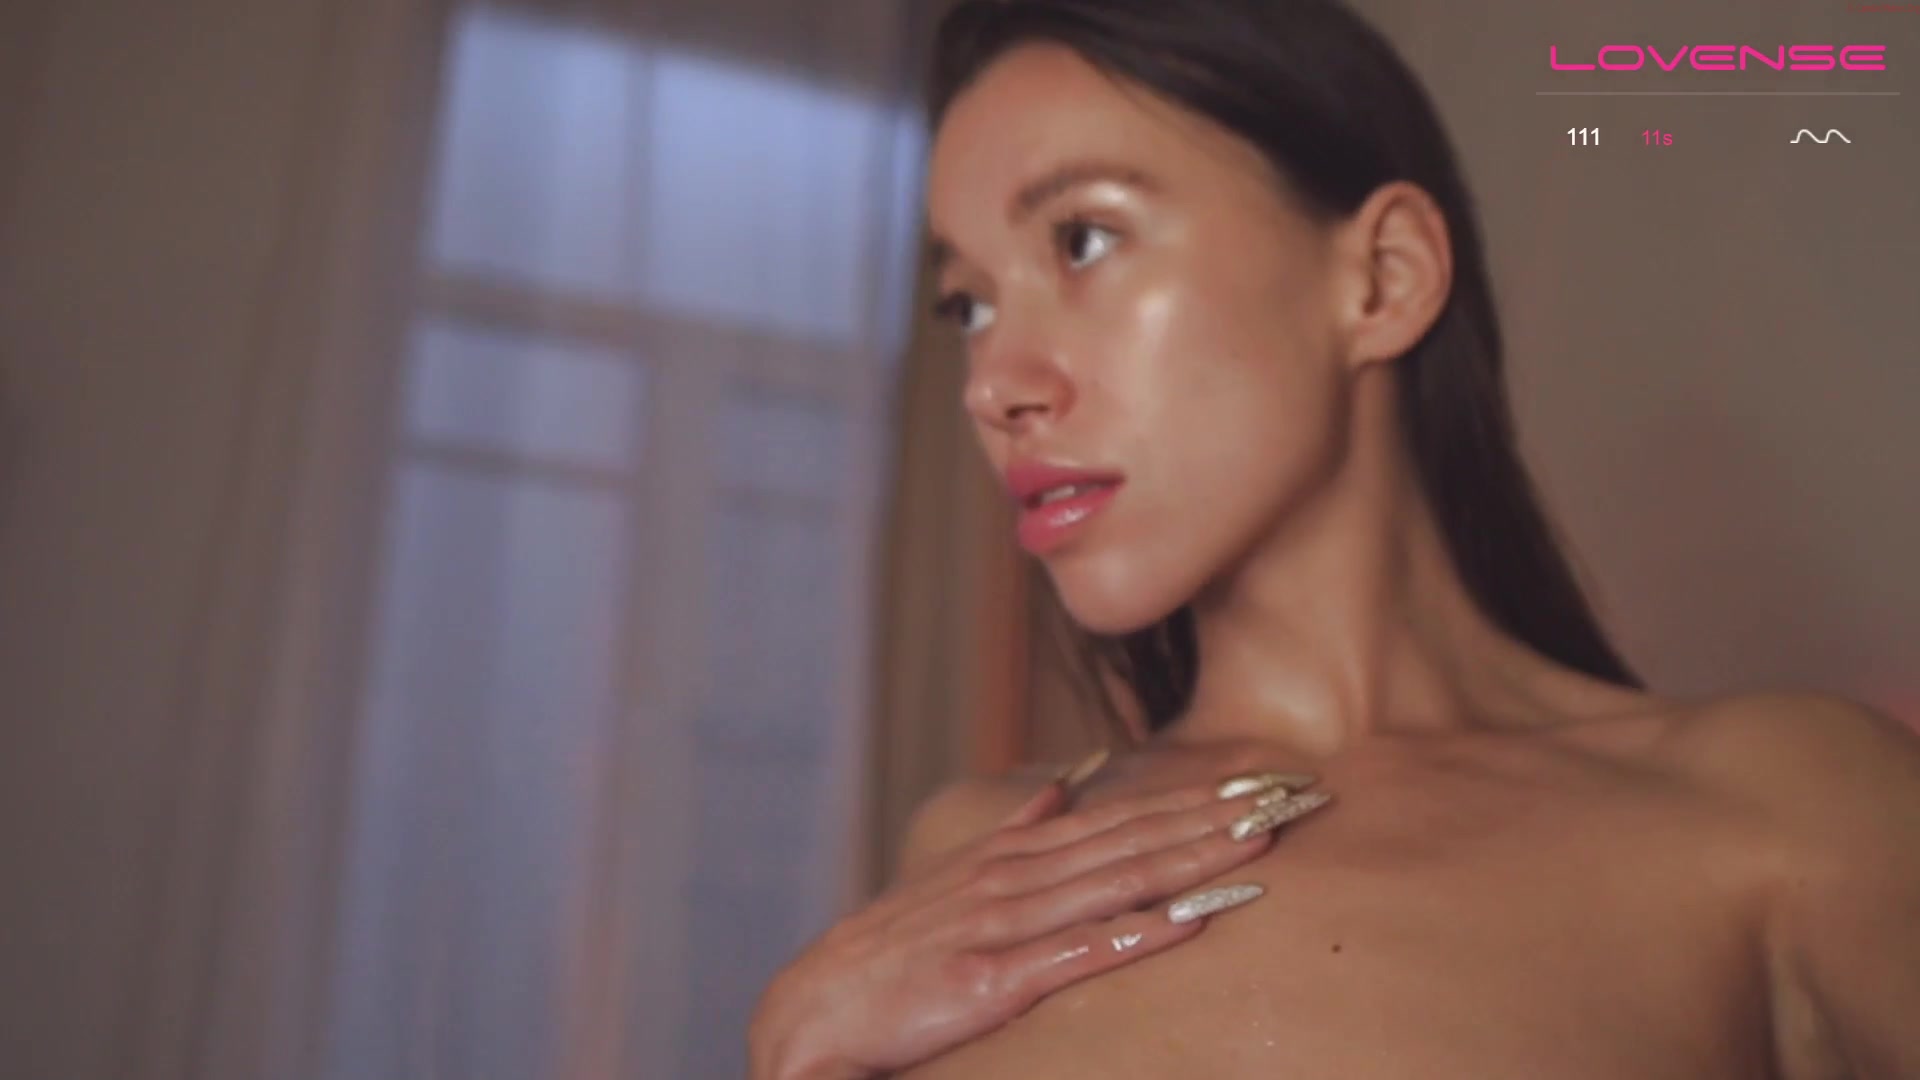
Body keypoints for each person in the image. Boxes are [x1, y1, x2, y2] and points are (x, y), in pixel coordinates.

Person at [748, 1, 1920, 1076]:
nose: (992, 385)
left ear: (1382, 279)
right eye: (970, 304)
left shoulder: (1784, 811)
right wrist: (794, 1053)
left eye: (1084, 241)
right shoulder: (980, 859)